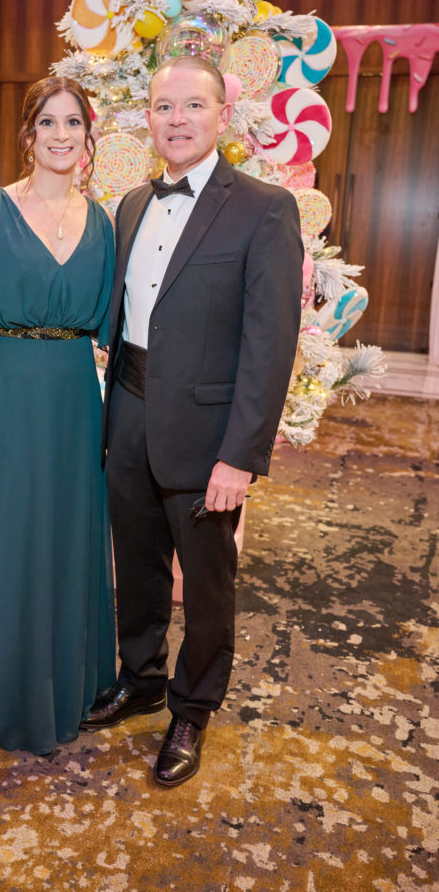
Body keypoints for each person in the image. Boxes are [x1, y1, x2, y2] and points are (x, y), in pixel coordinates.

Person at [80, 57, 304, 787]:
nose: (174, 119)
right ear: (145, 117)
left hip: (208, 435)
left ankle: (192, 706)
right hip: (131, 412)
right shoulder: (131, 204)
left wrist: (239, 456)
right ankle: (139, 678)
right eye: (161, 106)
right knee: (137, 568)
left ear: (219, 116)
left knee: (207, 583)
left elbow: (269, 345)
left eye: (190, 105)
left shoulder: (264, 207)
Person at [0, 76, 116, 763]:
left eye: (73, 123)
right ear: (28, 134)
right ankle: (0, 696)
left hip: (73, 401)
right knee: (5, 541)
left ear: (87, 136)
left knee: (65, 542)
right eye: (48, 122)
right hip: (3, 395)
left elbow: (114, 332)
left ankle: (62, 689)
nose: (61, 135)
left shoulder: (102, 222)